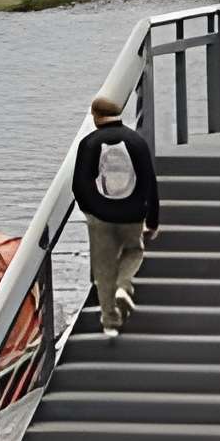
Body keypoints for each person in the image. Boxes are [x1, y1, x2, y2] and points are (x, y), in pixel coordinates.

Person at [70, 95, 160, 338]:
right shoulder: (136, 141)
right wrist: (152, 219)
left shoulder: (89, 143)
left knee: (103, 268)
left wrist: (90, 211)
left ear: (96, 116)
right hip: (132, 213)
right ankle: (123, 284)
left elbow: (79, 185)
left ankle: (110, 321)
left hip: (100, 215)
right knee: (134, 251)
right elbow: (149, 182)